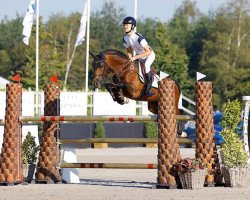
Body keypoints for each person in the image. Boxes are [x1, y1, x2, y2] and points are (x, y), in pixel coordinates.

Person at [122, 16, 155, 96]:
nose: (125, 26)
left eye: (127, 25)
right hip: (139, 56)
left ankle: (149, 88)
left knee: (146, 66)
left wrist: (135, 57)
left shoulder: (139, 38)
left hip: (149, 55)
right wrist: (130, 56)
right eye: (124, 25)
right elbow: (129, 49)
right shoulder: (125, 38)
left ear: (132, 26)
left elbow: (148, 52)